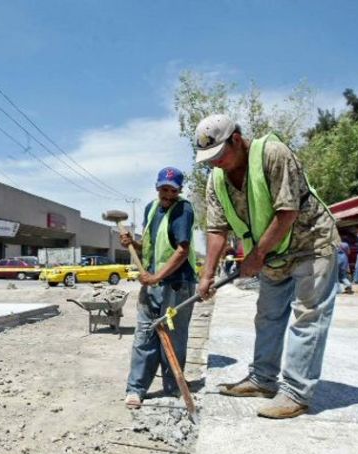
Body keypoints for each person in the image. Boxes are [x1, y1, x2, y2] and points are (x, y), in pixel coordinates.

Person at [194, 113, 341, 419]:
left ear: (236, 139)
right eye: (209, 159)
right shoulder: (216, 179)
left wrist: (256, 256)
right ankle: (262, 379)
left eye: (219, 155)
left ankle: (296, 392)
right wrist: (207, 275)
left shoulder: (273, 154)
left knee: (308, 316)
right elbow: (217, 230)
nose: (215, 163)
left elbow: (287, 212)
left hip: (310, 243)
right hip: (274, 252)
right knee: (268, 316)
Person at [120, 166, 198, 409]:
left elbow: (182, 250)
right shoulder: (151, 208)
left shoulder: (183, 210)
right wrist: (133, 243)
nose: (168, 194)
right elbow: (150, 247)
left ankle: (173, 386)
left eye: (173, 190)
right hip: (152, 283)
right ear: (157, 187)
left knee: (173, 336)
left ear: (179, 190)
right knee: (144, 334)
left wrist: (156, 277)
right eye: (164, 189)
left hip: (177, 285)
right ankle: (136, 389)